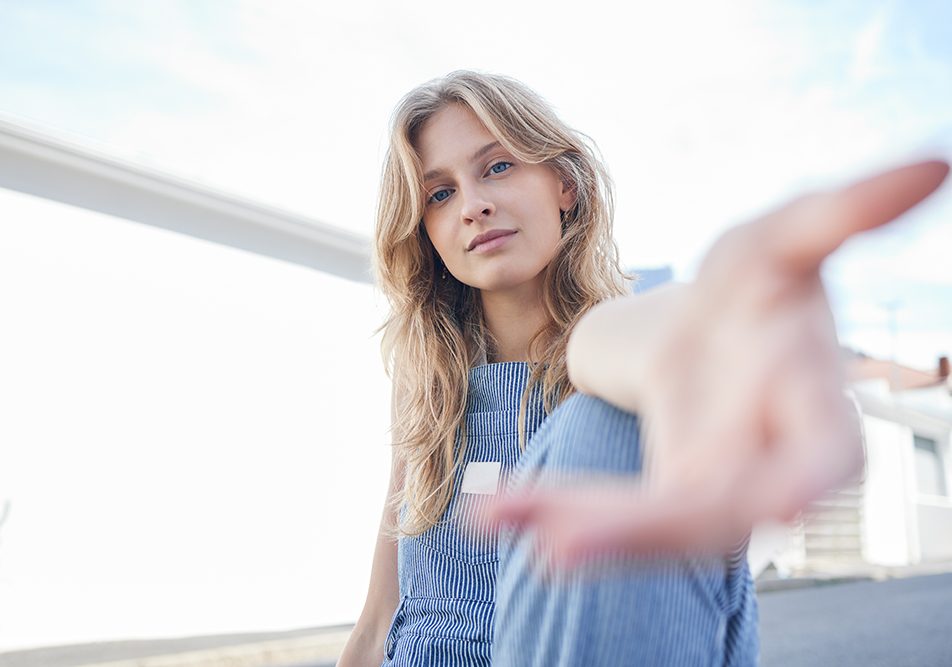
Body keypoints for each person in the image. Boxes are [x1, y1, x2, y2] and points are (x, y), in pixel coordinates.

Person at [336, 69, 949, 666]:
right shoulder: (429, 376)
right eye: (440, 194)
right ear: (425, 230)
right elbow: (382, 614)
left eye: (498, 166)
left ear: (564, 184)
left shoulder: (612, 337)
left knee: (610, 417)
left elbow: (625, 342)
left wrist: (699, 345)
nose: (473, 205)